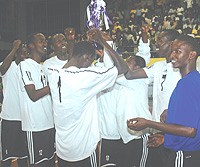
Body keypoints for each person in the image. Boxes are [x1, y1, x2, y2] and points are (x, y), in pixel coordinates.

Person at [47, 29, 129, 167]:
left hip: (63, 151)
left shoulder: (53, 72)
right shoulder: (85, 77)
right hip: (84, 150)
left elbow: (71, 62)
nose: (90, 64)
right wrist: (103, 41)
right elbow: (123, 67)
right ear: (86, 58)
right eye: (90, 61)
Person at [127, 35, 200, 167]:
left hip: (183, 155)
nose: (172, 55)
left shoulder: (188, 84)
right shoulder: (192, 80)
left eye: (178, 51)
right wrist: (171, 114)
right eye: (172, 51)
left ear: (191, 55)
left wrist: (148, 123)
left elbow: (189, 130)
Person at [18, 33, 55, 167]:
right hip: (35, 127)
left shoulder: (42, 67)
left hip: (49, 125)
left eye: (45, 41)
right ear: (31, 46)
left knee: (50, 163)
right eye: (41, 41)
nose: (45, 44)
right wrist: (53, 86)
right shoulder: (25, 65)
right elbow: (32, 95)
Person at [116, 55, 152, 167]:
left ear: (137, 68)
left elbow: (115, 74)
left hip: (139, 136)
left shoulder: (137, 80)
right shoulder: (126, 83)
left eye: (129, 61)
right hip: (129, 136)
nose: (125, 63)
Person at [0, 40, 29, 167]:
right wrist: (14, 48)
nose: (25, 55)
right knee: (6, 158)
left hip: (26, 120)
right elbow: (2, 70)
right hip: (9, 119)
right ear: (16, 53)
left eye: (27, 53)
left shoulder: (30, 68)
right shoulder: (8, 66)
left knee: (23, 157)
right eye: (22, 52)